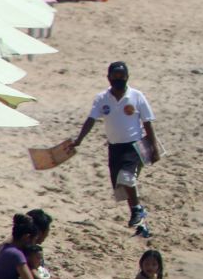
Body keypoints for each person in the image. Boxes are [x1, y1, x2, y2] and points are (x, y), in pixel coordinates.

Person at [68, 61, 159, 235]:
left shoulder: (137, 96)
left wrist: (153, 147)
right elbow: (91, 119)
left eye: (122, 77)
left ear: (127, 77)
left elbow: (147, 121)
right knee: (122, 189)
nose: (119, 80)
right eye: (115, 77)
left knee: (127, 178)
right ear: (108, 78)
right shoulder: (102, 98)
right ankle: (141, 224)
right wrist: (79, 139)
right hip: (114, 148)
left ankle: (138, 209)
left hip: (134, 145)